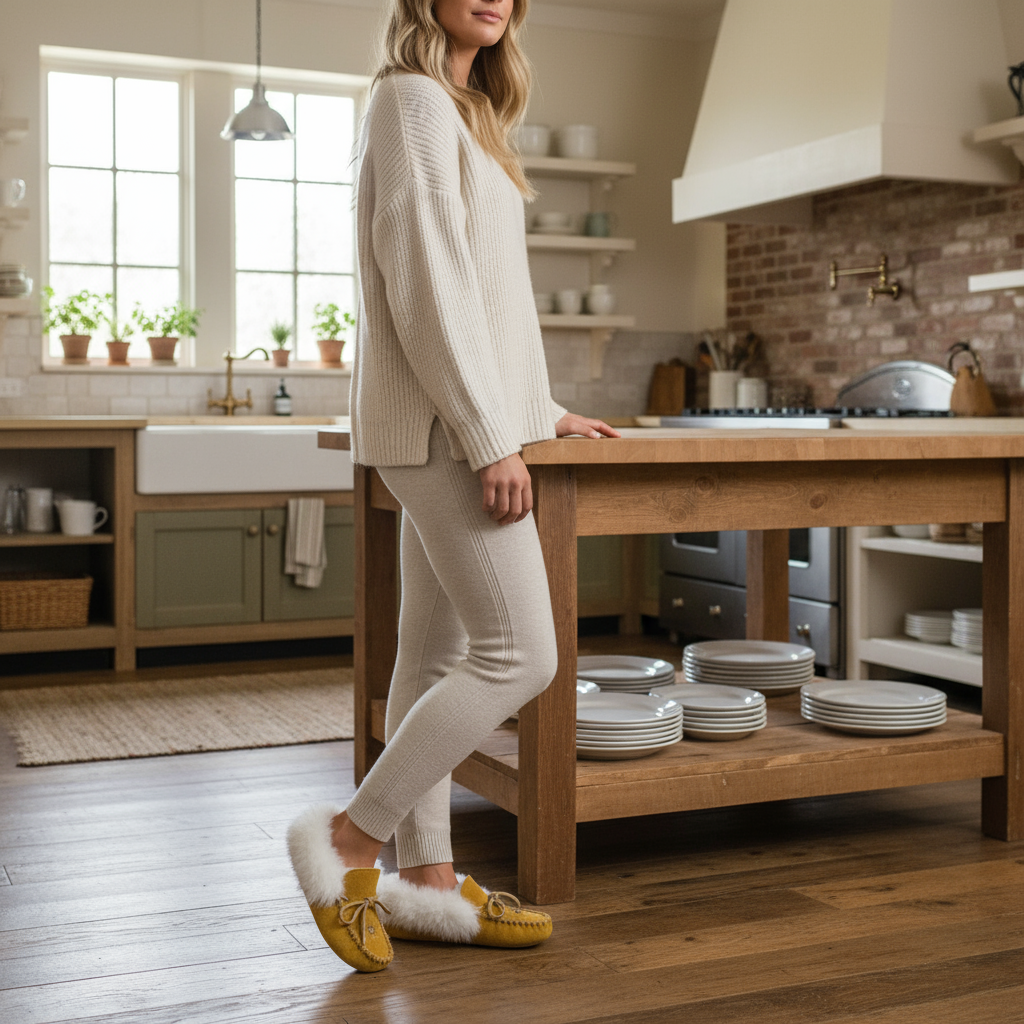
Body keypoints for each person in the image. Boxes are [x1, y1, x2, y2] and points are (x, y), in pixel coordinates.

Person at [286, 0, 619, 973]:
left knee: (431, 661)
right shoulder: (410, 101)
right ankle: (352, 840)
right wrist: (485, 436)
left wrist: (539, 407)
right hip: (441, 429)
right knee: (524, 654)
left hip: (461, 419)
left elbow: (491, 294)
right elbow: (425, 281)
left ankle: (428, 884)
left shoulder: (468, 114)